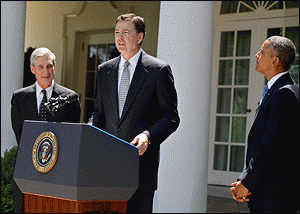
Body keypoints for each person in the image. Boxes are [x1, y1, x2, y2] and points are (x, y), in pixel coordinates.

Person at [89, 14, 180, 213]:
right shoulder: (104, 70)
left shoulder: (158, 70)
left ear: (140, 37)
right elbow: (99, 113)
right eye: (117, 33)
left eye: (126, 33)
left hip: (140, 169)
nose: (120, 38)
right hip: (107, 167)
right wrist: (90, 133)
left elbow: (171, 117)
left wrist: (148, 136)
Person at [230, 36, 299, 213]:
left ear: (275, 60)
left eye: (262, 52)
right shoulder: (276, 90)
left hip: (274, 197)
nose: (256, 55)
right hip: (265, 192)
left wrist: (247, 184)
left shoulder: (284, 94)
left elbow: (270, 147)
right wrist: (244, 180)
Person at [11, 47, 81, 213]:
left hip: (59, 174)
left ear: (55, 67)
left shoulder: (70, 98)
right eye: (41, 67)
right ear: (32, 69)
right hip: (28, 169)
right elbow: (19, 135)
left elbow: (72, 138)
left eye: (49, 66)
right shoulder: (19, 98)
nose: (46, 71)